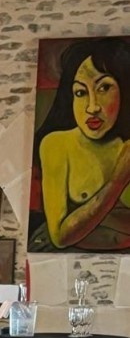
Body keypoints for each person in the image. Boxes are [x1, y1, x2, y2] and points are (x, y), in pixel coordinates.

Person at [32, 38, 130, 251]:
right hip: (58, 262)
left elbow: (73, 229)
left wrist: (85, 220)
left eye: (104, 88)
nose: (92, 107)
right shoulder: (57, 144)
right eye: (80, 92)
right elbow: (60, 236)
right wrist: (117, 181)